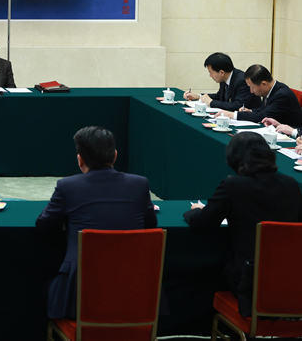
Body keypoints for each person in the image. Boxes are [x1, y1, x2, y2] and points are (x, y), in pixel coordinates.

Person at [35, 126, 157, 319]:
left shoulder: (67, 186)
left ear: (79, 159)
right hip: (132, 291)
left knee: (43, 286)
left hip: (80, 293)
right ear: (115, 156)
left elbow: (44, 225)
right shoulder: (140, 184)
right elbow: (150, 226)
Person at [184, 132, 302, 316]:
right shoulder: (292, 184)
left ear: (234, 157)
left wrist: (194, 211)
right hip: (290, 282)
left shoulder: (234, 186)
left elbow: (203, 222)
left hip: (248, 281)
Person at [215, 65, 302, 127]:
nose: (251, 91)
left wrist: (232, 115)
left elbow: (262, 116)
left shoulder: (282, 95)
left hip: (293, 135)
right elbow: (265, 109)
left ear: (264, 84)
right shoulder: (269, 89)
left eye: (252, 88)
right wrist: (251, 111)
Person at [184, 52, 256, 111]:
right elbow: (220, 96)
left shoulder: (241, 80)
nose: (210, 75)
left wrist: (211, 102)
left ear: (221, 72)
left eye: (211, 72)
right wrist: (199, 96)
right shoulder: (224, 78)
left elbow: (237, 105)